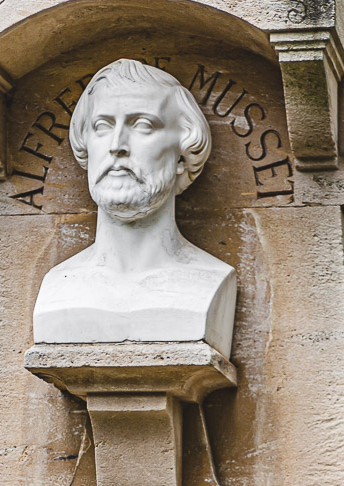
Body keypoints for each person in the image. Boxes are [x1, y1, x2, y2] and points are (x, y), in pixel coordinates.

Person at [32, 59, 237, 355]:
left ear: (182, 155)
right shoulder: (58, 288)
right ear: (85, 145)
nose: (117, 145)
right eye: (102, 126)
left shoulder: (210, 281)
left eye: (143, 125)